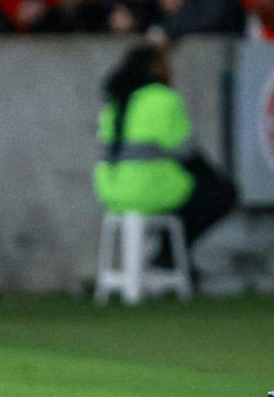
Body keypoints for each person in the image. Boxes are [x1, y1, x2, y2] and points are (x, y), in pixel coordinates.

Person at [93, 43, 237, 283]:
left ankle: (166, 252)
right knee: (220, 192)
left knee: (195, 192)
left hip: (111, 192)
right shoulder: (163, 99)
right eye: (164, 64)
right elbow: (188, 154)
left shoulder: (114, 102)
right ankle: (169, 251)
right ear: (154, 68)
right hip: (151, 192)